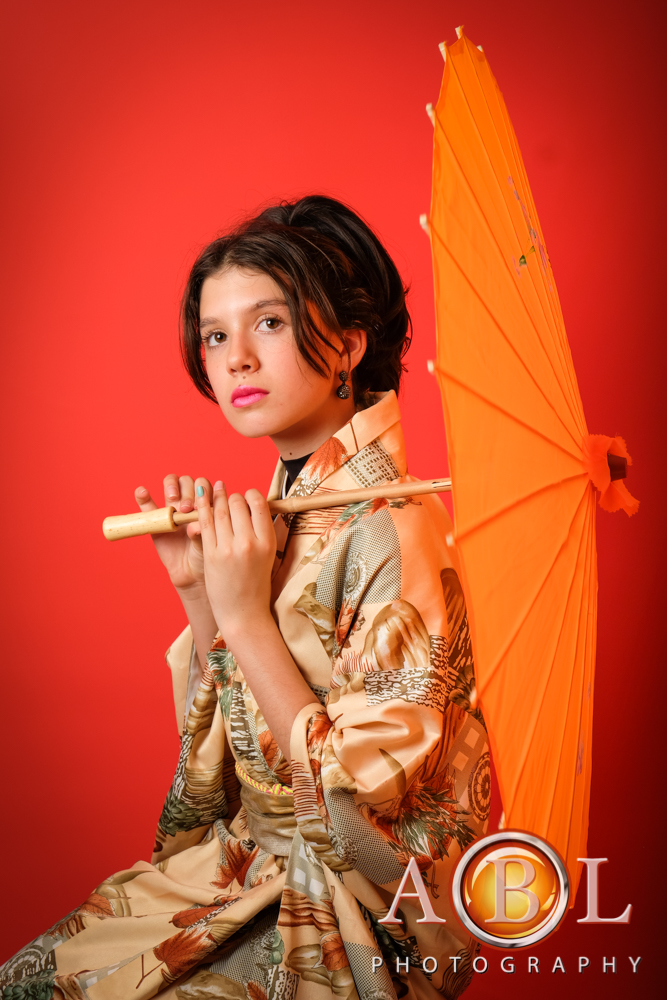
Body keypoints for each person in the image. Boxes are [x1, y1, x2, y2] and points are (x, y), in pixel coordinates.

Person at [1, 196, 490, 1000]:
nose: (236, 360)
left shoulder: (396, 531)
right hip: (246, 865)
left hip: (342, 911)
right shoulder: (282, 513)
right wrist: (203, 595)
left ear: (348, 344)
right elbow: (234, 772)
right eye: (216, 335)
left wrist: (241, 615)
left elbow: (351, 814)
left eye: (268, 323)